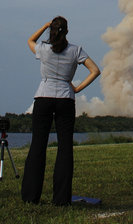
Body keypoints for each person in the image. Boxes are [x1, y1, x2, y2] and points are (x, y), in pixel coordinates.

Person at [21, 17, 101, 206]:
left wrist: (44, 26)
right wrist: (78, 88)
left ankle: (31, 197)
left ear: (52, 31)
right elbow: (95, 70)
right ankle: (61, 198)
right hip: (66, 98)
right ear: (67, 32)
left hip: (43, 97)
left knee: (37, 146)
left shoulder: (44, 49)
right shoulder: (76, 50)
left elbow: (30, 41)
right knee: (65, 149)